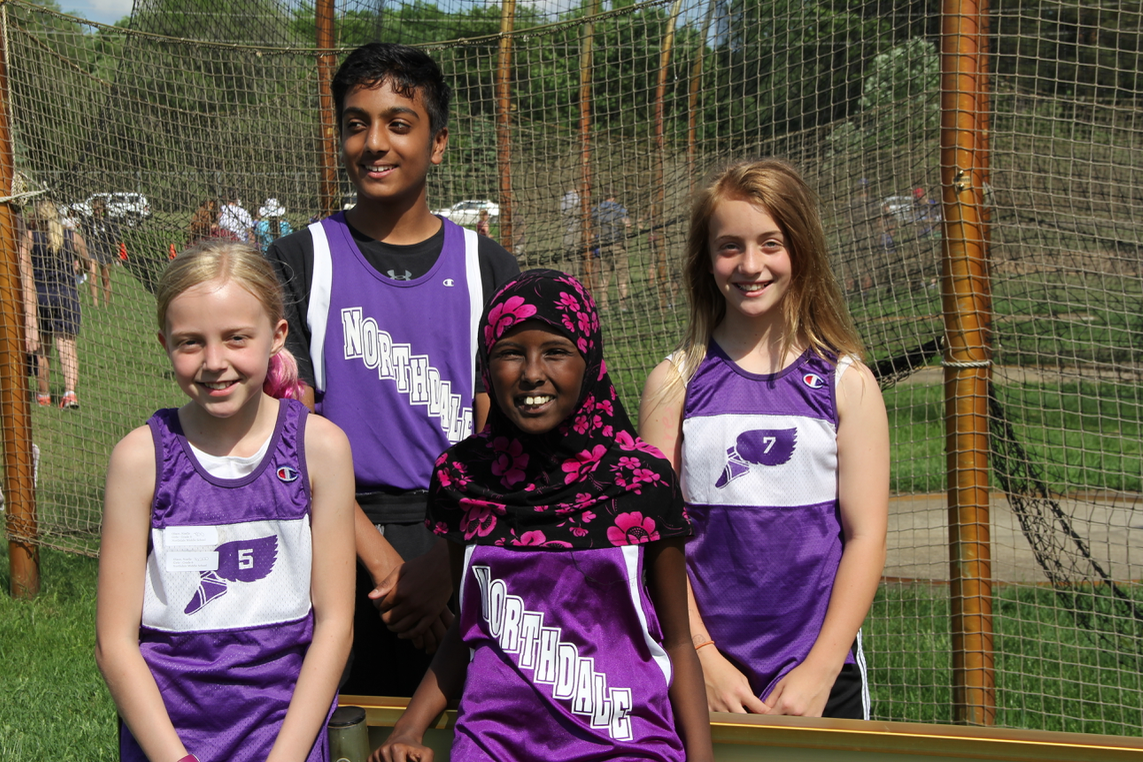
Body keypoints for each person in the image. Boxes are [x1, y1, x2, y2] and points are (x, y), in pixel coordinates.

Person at [265, 42, 519, 697]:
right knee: (345, 729)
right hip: (333, 536)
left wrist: (444, 561)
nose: (374, 143)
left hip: (461, 538)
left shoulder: (488, 267)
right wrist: (385, 565)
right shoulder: (300, 258)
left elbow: (506, 442)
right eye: (356, 123)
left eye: (398, 124)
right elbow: (289, 432)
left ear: (437, 142)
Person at [379, 269, 713, 762]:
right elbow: (471, 625)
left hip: (625, 744)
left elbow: (678, 642)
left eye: (555, 350)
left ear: (590, 358)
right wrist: (408, 729)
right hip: (493, 745)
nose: (532, 372)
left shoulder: (641, 482)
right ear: (488, 366)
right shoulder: (461, 479)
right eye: (511, 352)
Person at [638, 158, 888, 719]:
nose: (751, 264)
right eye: (730, 246)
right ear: (706, 260)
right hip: (704, 674)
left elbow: (866, 537)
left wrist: (820, 670)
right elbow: (654, 537)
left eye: (770, 243)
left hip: (821, 676)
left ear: (800, 249)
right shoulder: (673, 384)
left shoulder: (848, 384)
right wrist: (701, 659)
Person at [95, 242, 356, 762]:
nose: (214, 363)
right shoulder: (139, 459)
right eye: (190, 343)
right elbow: (114, 644)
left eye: (236, 338)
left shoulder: (320, 449)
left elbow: (334, 625)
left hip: (287, 739)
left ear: (277, 335)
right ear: (164, 343)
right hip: (169, 743)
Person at [19, 198, 88, 409]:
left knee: (42, 349)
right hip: (66, 296)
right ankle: (70, 394)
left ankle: (43, 395)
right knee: (67, 347)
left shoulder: (29, 237)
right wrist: (80, 269)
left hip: (39, 297)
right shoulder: (73, 237)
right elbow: (87, 262)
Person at [591, 189, 631, 311]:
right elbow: (628, 224)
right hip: (618, 246)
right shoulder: (620, 209)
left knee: (605, 278)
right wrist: (627, 241)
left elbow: (591, 227)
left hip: (603, 247)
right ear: (614, 196)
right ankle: (623, 306)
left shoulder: (596, 210)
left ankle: (604, 306)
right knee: (622, 279)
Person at [83, 196, 122, 307]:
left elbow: (114, 238)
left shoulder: (109, 221)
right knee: (93, 276)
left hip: (105, 250)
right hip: (92, 249)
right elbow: (85, 235)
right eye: (94, 209)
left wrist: (118, 253)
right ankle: (95, 304)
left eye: (98, 209)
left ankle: (106, 305)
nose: (96, 211)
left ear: (103, 209)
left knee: (105, 280)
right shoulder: (89, 220)